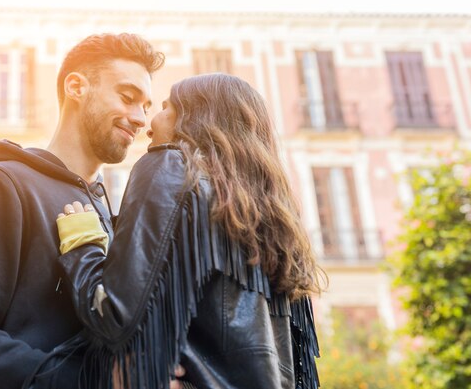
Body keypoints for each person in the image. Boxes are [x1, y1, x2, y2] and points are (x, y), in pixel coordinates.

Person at [0, 33, 169, 389]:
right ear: (76, 87)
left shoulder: (103, 205)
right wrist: (94, 383)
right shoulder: (0, 185)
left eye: (145, 106)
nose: (141, 118)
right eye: (128, 98)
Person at [54, 73, 323, 389]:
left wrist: (83, 246)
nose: (149, 124)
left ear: (197, 117)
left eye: (166, 107)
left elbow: (115, 319)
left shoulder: (170, 166)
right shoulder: (275, 223)